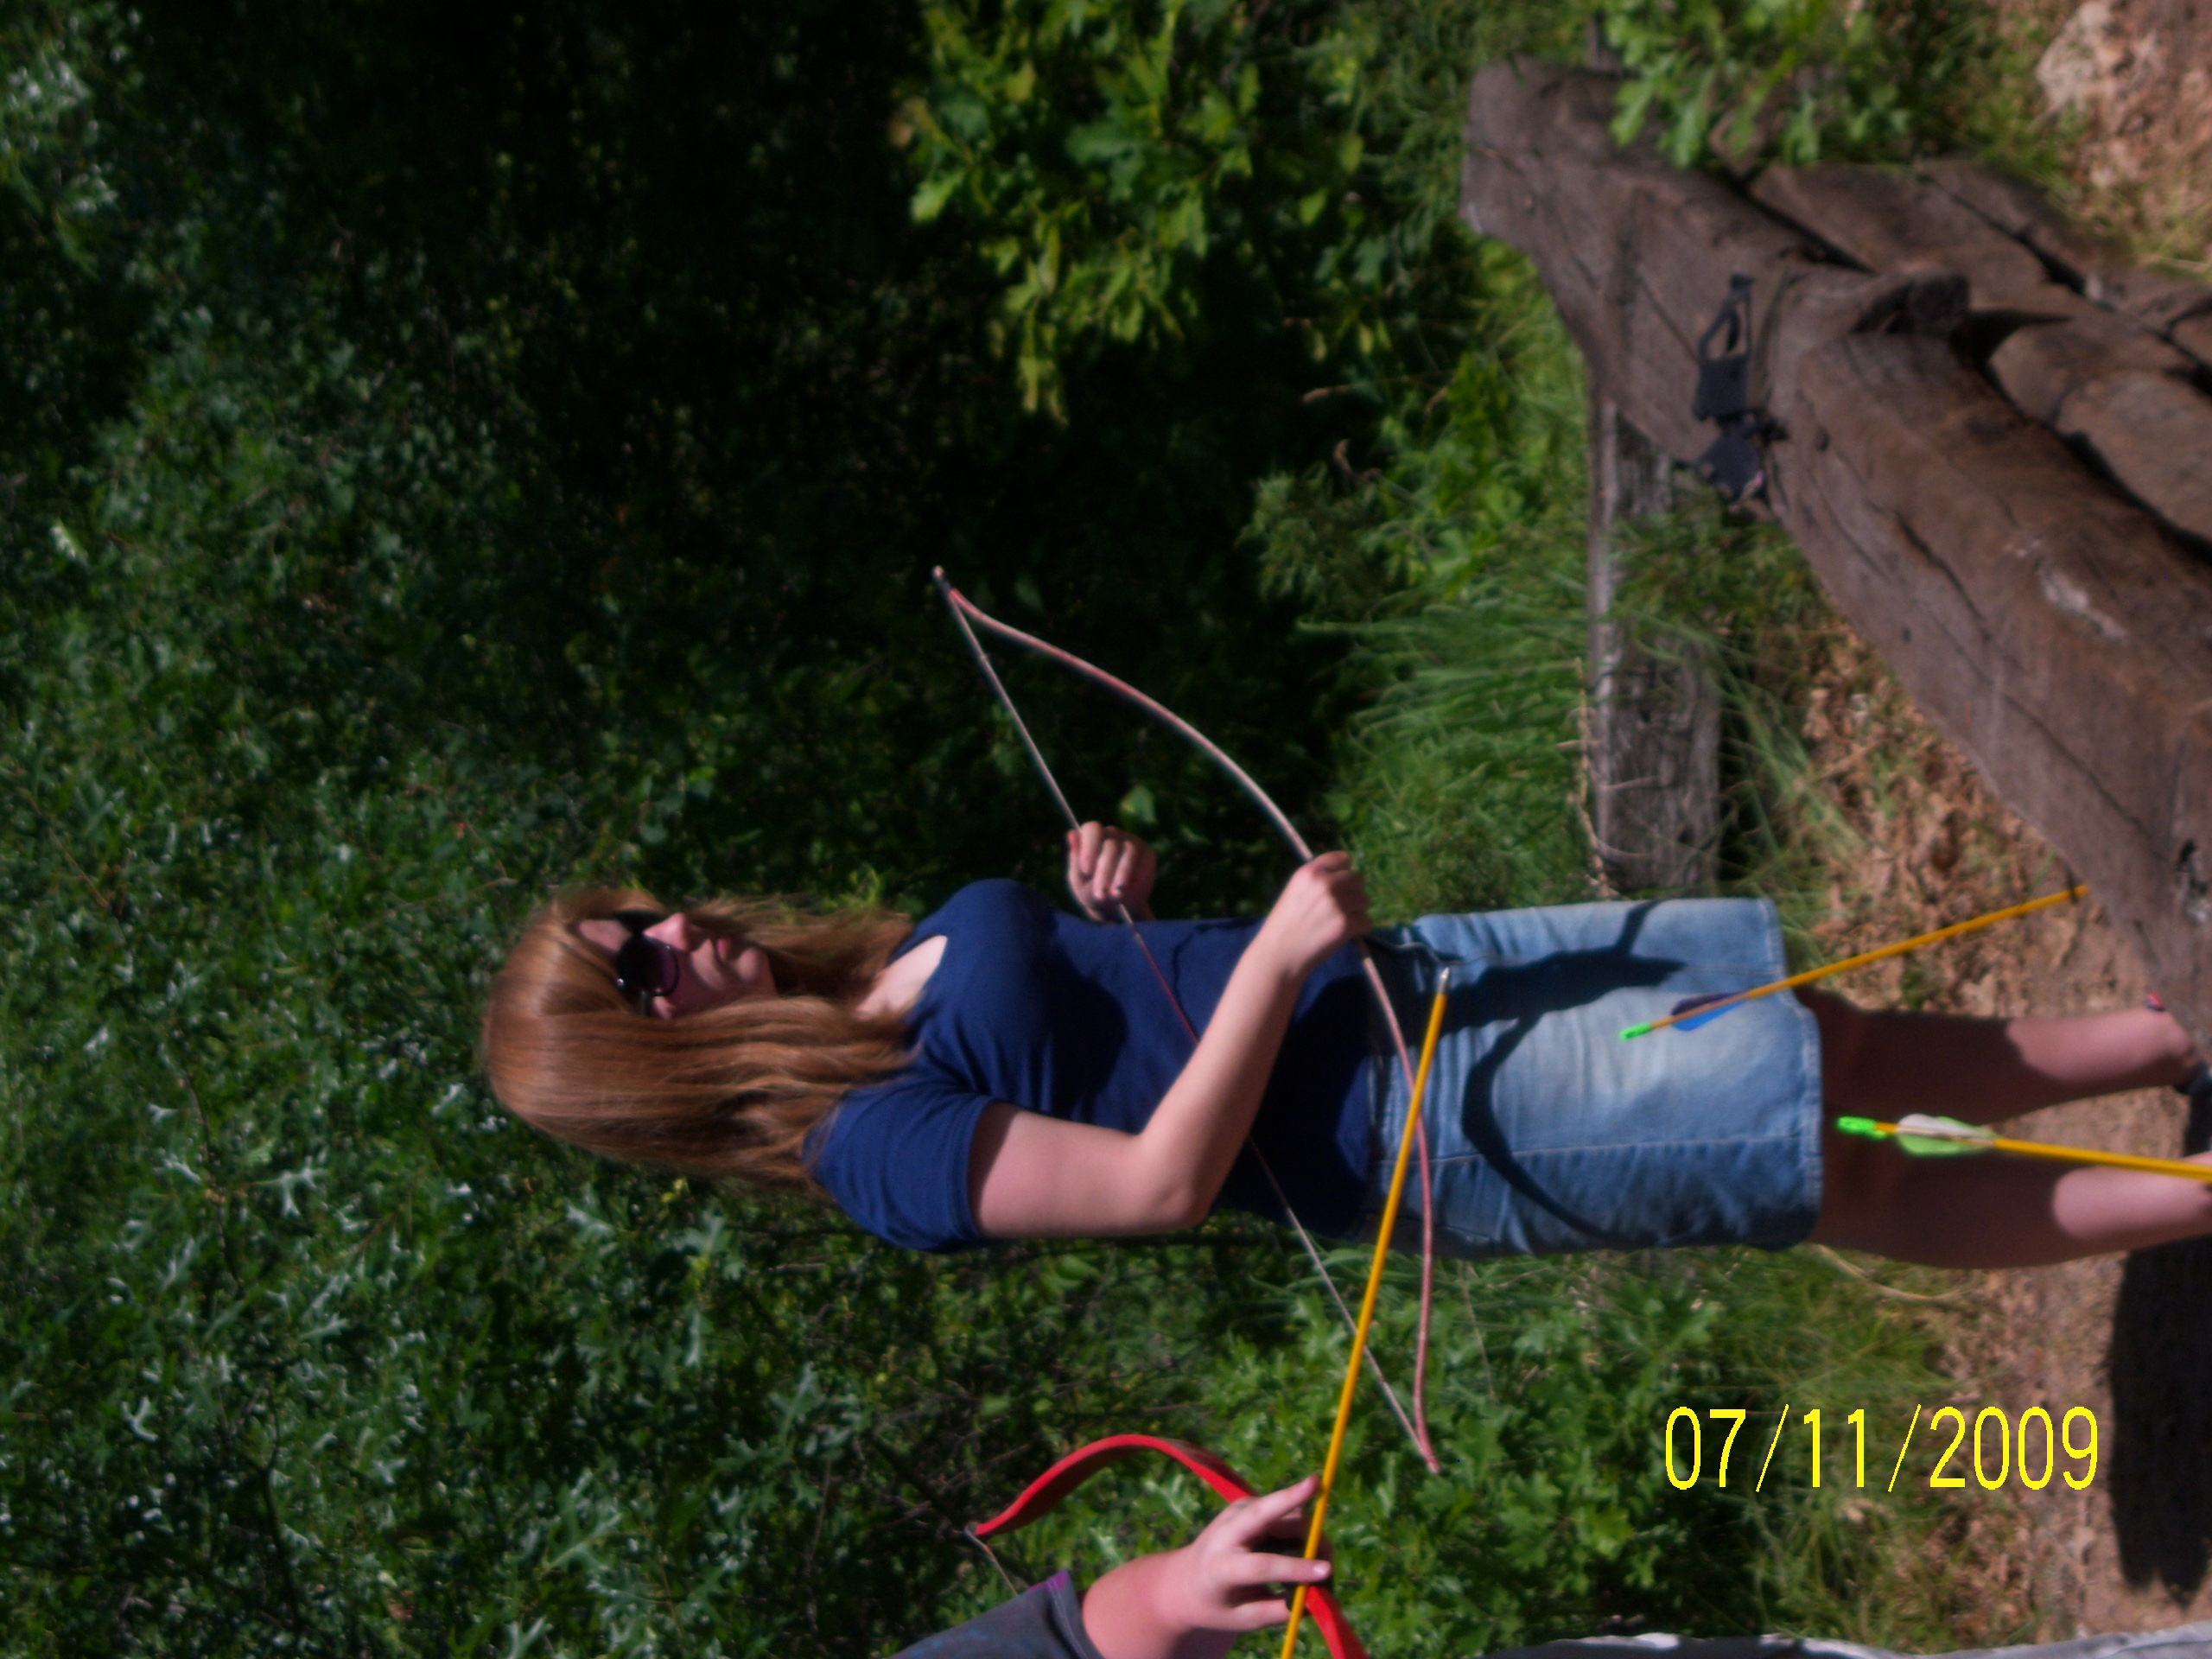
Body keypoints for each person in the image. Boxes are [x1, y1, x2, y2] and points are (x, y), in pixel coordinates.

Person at [481, 824, 2212, 1269]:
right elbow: (1156, 1184)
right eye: (635, 975)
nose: (669, 935)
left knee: (1815, 1032)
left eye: (640, 916)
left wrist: (1115, 901)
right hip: (1418, 1126)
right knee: (1822, 1159)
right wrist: (1273, 958)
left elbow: (1101, 1013)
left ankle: (2167, 1035)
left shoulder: (875, 969)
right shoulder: (868, 1153)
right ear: (647, 1069)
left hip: (1407, 986)